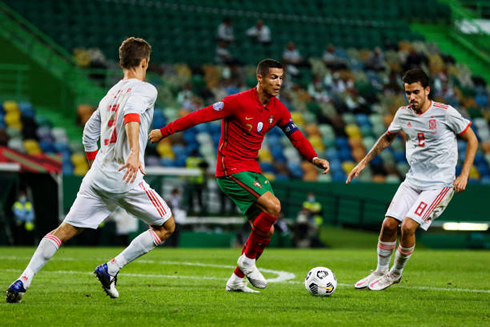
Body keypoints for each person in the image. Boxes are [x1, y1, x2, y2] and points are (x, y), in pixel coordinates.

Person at [6, 37, 176, 303]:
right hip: (125, 177)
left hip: (97, 176)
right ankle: (112, 268)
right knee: (166, 226)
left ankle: (23, 279)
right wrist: (133, 152)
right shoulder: (146, 90)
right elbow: (132, 114)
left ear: (121, 63)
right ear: (145, 62)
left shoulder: (109, 95)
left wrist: (95, 165)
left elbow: (88, 134)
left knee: (63, 231)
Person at [149, 59, 330, 293]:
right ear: (260, 78)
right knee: (274, 208)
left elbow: (295, 136)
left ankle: (236, 280)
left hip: (251, 169)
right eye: (273, 77)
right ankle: (246, 262)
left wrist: (313, 158)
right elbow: (199, 116)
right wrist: (165, 131)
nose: (278, 83)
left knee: (267, 228)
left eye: (281, 78)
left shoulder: (278, 109)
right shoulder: (237, 102)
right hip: (230, 169)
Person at [346, 68, 478, 291]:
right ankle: (379, 271)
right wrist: (363, 162)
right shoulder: (403, 113)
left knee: (407, 227)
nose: (411, 97)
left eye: (416, 92)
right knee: (388, 224)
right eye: (408, 93)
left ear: (427, 90)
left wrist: (464, 174)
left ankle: (394, 274)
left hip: (439, 185)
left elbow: (472, 139)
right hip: (413, 181)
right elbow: (388, 137)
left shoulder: (446, 113)